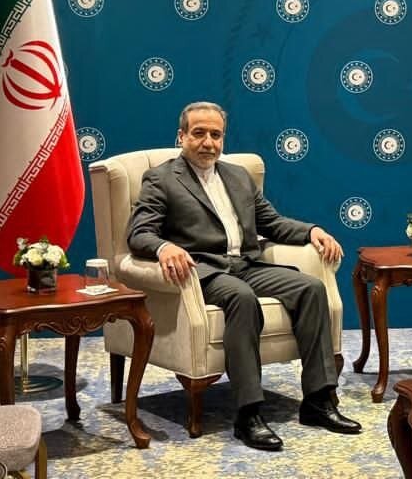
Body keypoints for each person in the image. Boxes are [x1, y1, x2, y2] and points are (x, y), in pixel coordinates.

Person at [127, 101, 361, 451]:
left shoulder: (238, 176)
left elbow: (272, 223)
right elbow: (139, 233)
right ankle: (248, 414)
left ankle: (318, 401)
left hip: (247, 264)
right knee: (241, 297)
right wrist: (164, 248)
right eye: (199, 133)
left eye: (216, 135)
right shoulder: (162, 178)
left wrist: (312, 231)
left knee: (311, 289)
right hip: (204, 270)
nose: (208, 142)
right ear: (181, 136)